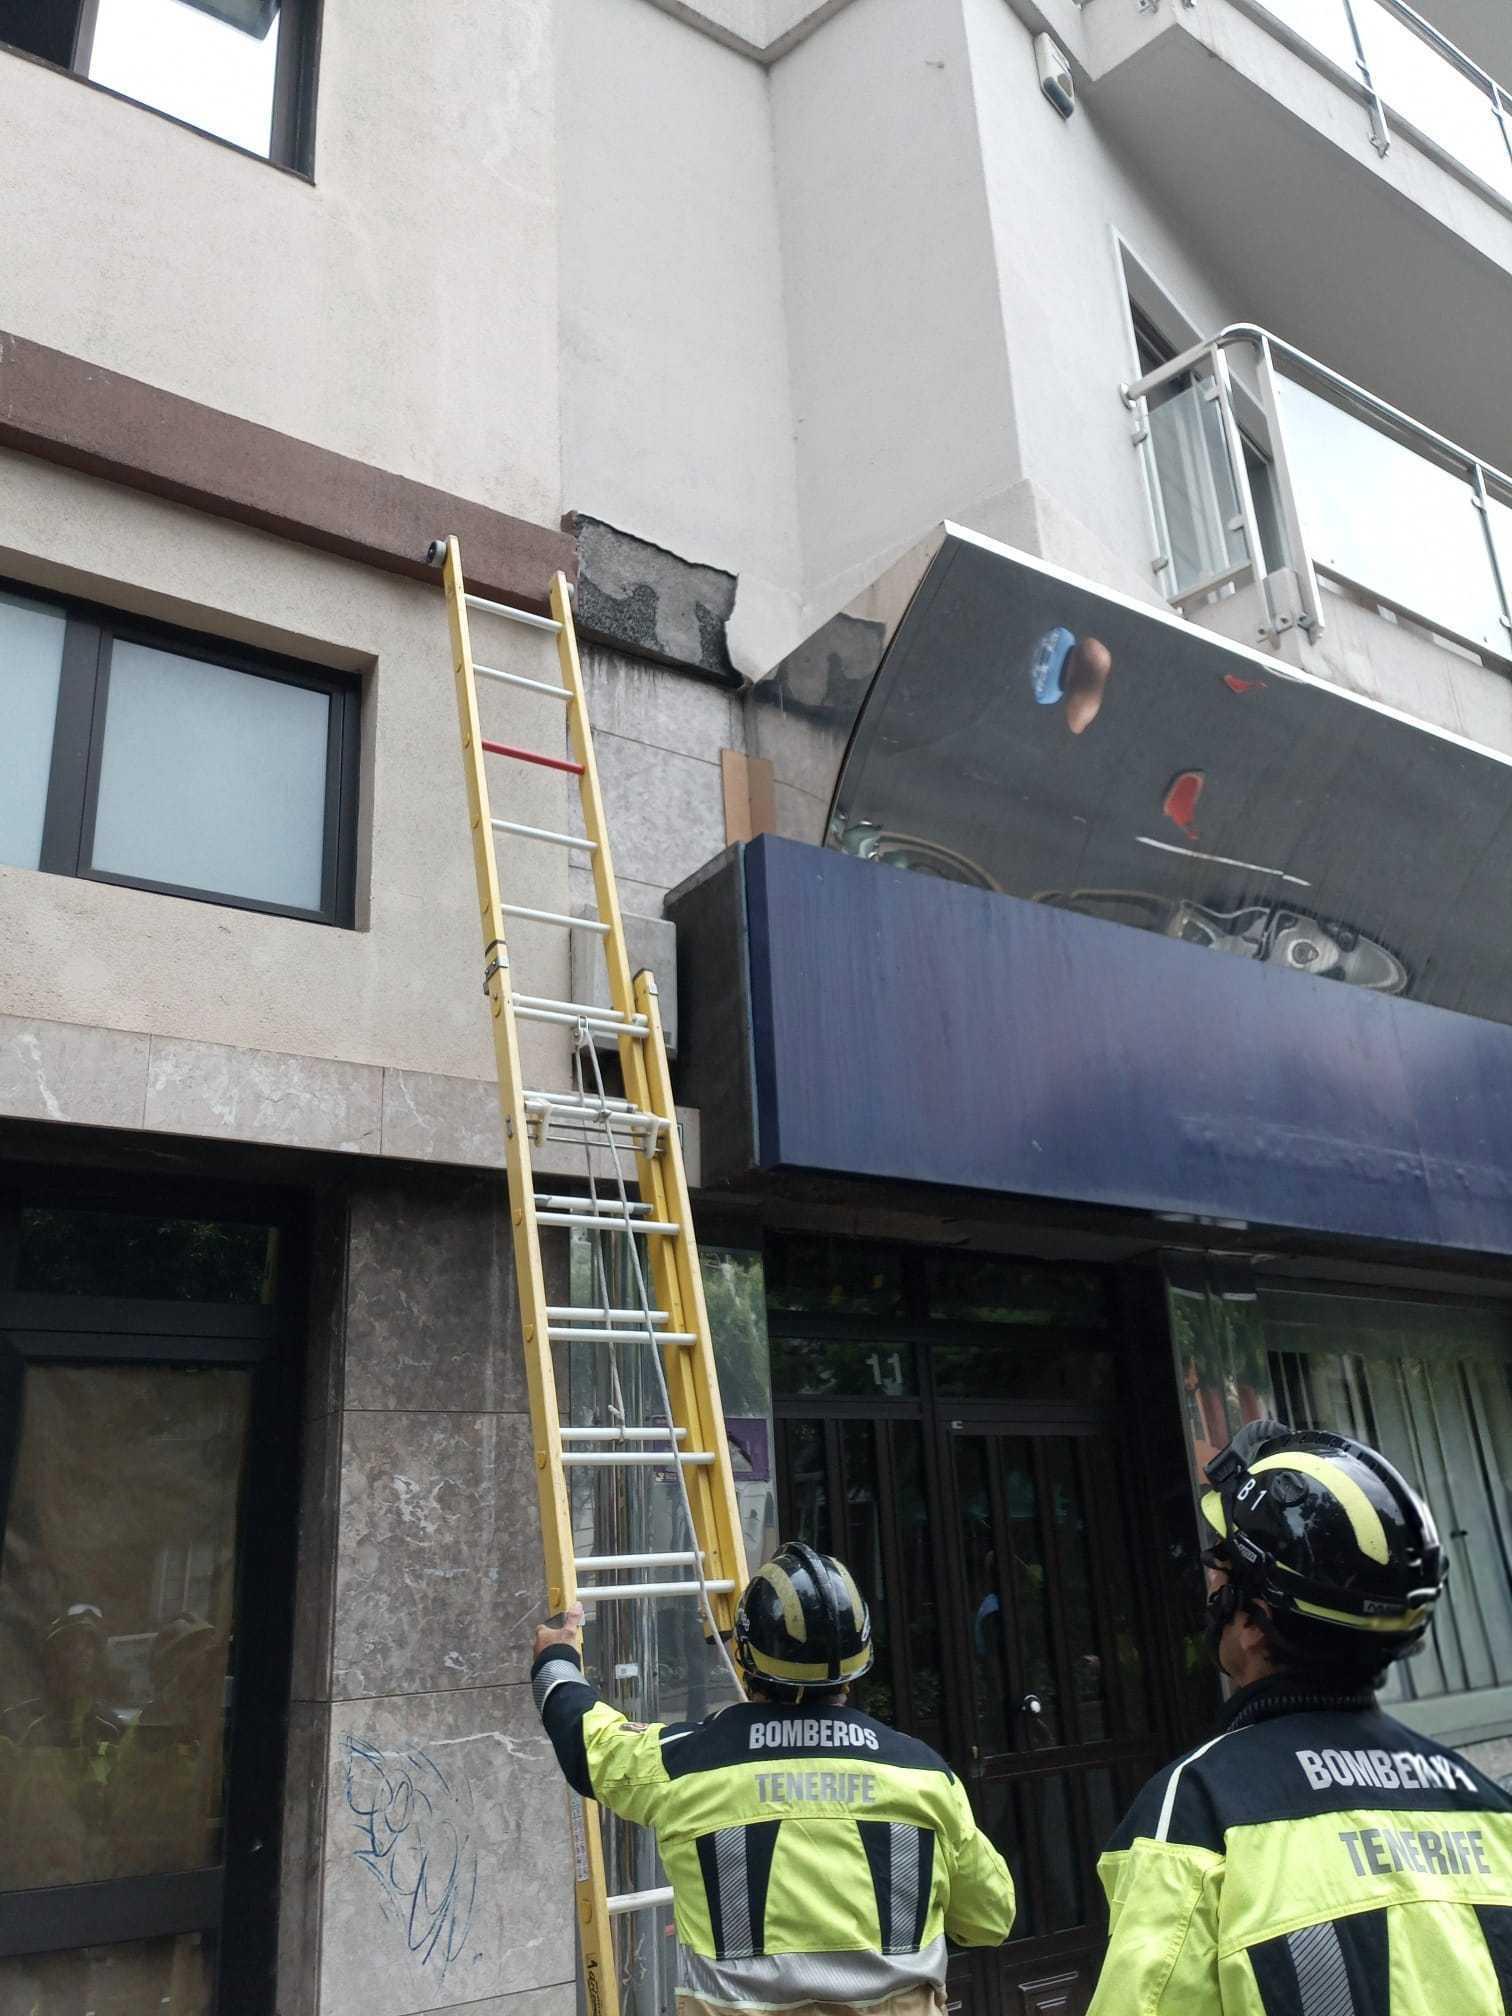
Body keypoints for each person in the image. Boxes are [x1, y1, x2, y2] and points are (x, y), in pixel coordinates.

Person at [1087, 1418, 1512, 2013]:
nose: (1209, 1588)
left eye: (1220, 1572)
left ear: (1253, 1622)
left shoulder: (1196, 1811)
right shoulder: (1488, 1804)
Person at [531, 1541, 1015, 2016]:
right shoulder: (925, 1776)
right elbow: (989, 1920)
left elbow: (588, 1743)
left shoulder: (684, 1765)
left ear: (744, 1659)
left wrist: (556, 1661)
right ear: (855, 1671)